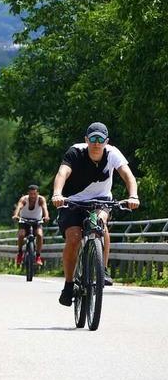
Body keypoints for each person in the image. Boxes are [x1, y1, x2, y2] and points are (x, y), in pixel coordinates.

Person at [51, 122, 139, 305]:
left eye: (100, 139)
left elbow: (128, 176)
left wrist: (133, 196)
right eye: (93, 139)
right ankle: (68, 284)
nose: (96, 143)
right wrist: (57, 194)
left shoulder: (113, 153)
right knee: (74, 238)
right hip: (72, 201)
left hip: (101, 200)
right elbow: (62, 173)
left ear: (106, 141)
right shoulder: (75, 152)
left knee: (100, 223)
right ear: (86, 140)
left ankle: (103, 269)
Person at [12, 185, 50, 266]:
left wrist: (46, 216)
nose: (33, 196)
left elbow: (45, 208)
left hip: (37, 221)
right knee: (21, 234)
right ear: (28, 193)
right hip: (24, 220)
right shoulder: (24, 199)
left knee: (39, 235)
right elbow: (19, 207)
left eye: (34, 194)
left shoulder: (40, 199)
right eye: (31, 194)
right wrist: (16, 215)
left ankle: (38, 256)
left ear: (37, 193)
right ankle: (20, 253)